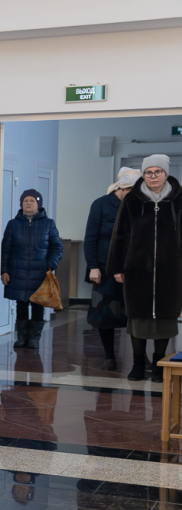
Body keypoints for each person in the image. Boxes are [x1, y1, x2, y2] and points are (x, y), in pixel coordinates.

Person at [109, 155, 182, 382]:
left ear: (166, 174)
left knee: (165, 319)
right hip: (137, 270)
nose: (153, 176)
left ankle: (159, 365)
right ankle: (138, 364)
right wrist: (117, 267)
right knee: (138, 319)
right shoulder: (131, 200)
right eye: (148, 172)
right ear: (143, 175)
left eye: (157, 172)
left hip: (170, 271)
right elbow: (119, 235)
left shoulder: (180, 200)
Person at [84, 167, 140, 371]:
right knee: (104, 314)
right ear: (123, 187)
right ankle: (109, 356)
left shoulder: (137, 204)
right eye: (133, 190)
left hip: (131, 268)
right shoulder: (101, 204)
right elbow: (90, 238)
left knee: (135, 314)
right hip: (104, 268)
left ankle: (139, 358)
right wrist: (93, 267)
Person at [0, 189, 63, 349]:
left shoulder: (48, 224)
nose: (28, 203)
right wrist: (4, 270)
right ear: (21, 204)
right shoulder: (13, 224)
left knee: (37, 305)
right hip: (17, 272)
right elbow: (5, 249)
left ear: (38, 204)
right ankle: (21, 338)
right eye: (25, 200)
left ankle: (34, 339)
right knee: (21, 305)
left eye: (32, 200)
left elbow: (57, 247)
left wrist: (50, 265)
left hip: (40, 273)